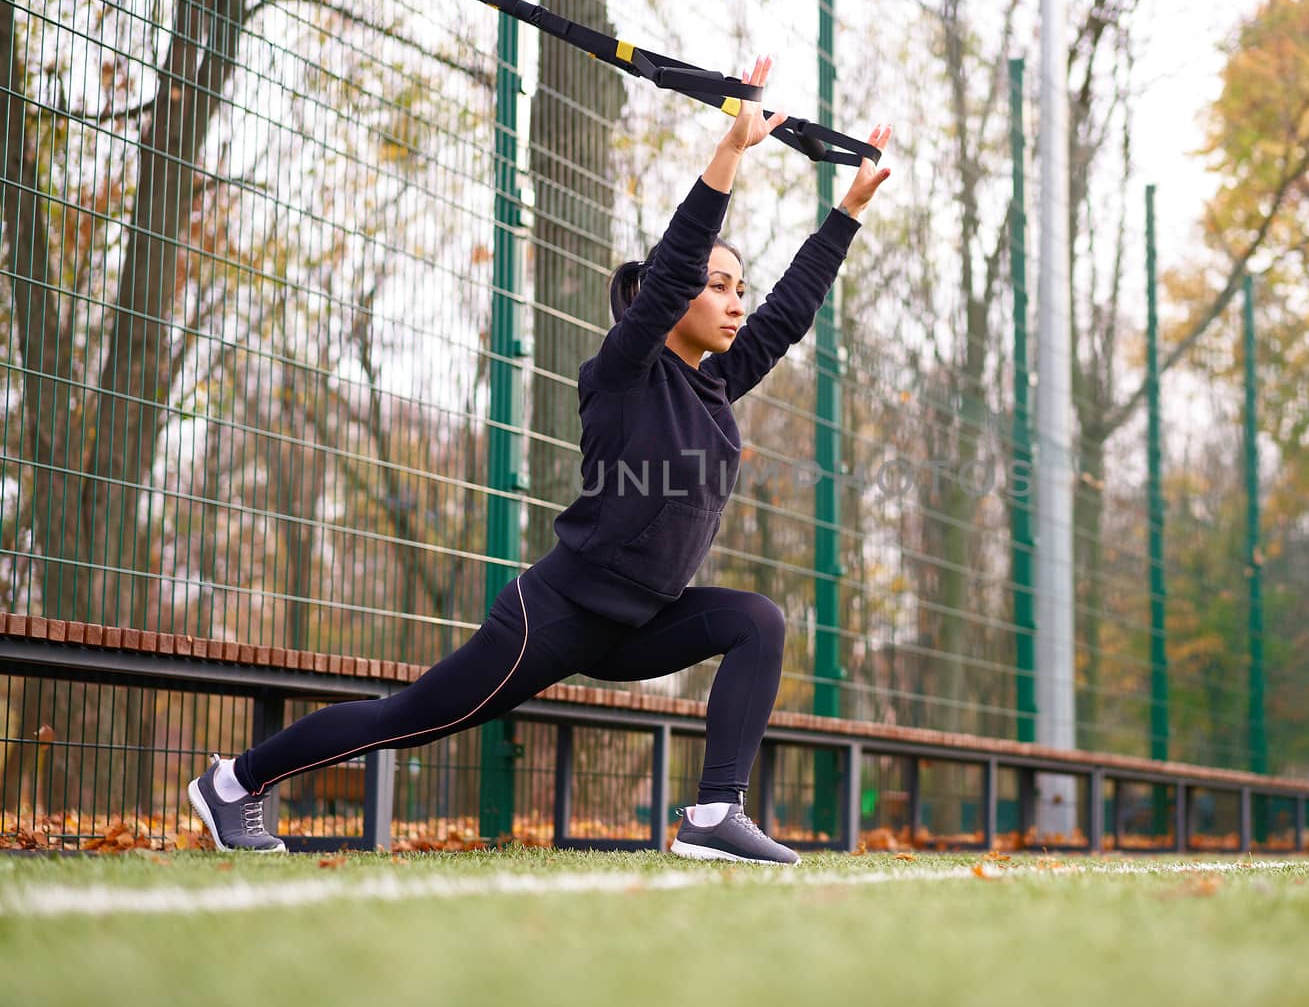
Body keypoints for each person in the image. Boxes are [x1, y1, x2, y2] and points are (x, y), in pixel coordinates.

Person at [187, 54, 892, 865]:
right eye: (720, 285)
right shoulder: (623, 372)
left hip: (641, 622)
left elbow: (787, 318)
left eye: (741, 287)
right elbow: (667, 276)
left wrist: (847, 212)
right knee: (406, 718)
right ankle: (234, 783)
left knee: (757, 620)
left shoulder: (716, 385)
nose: (738, 302)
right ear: (668, 303)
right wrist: (728, 153)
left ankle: (712, 816)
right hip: (557, 618)